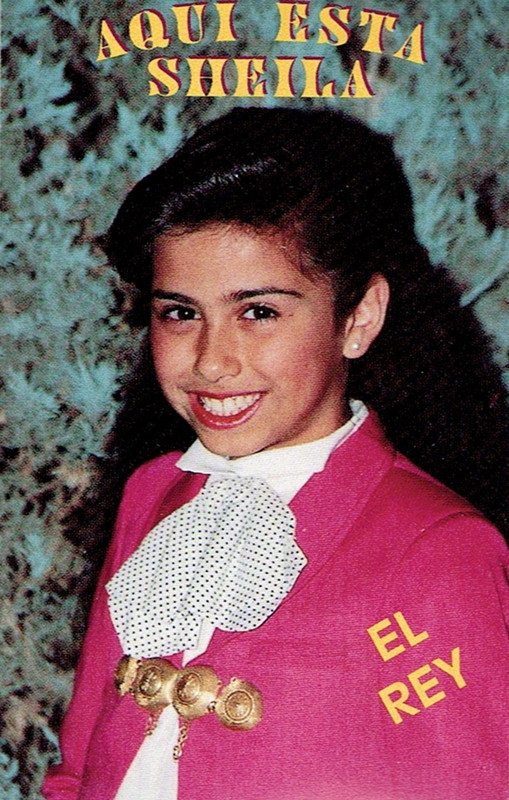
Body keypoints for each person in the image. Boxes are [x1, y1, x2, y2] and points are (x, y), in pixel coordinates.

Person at [42, 107, 509, 800]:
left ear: (358, 318)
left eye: (258, 312)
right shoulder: (154, 493)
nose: (212, 360)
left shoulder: (437, 549)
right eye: (180, 312)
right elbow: (78, 767)